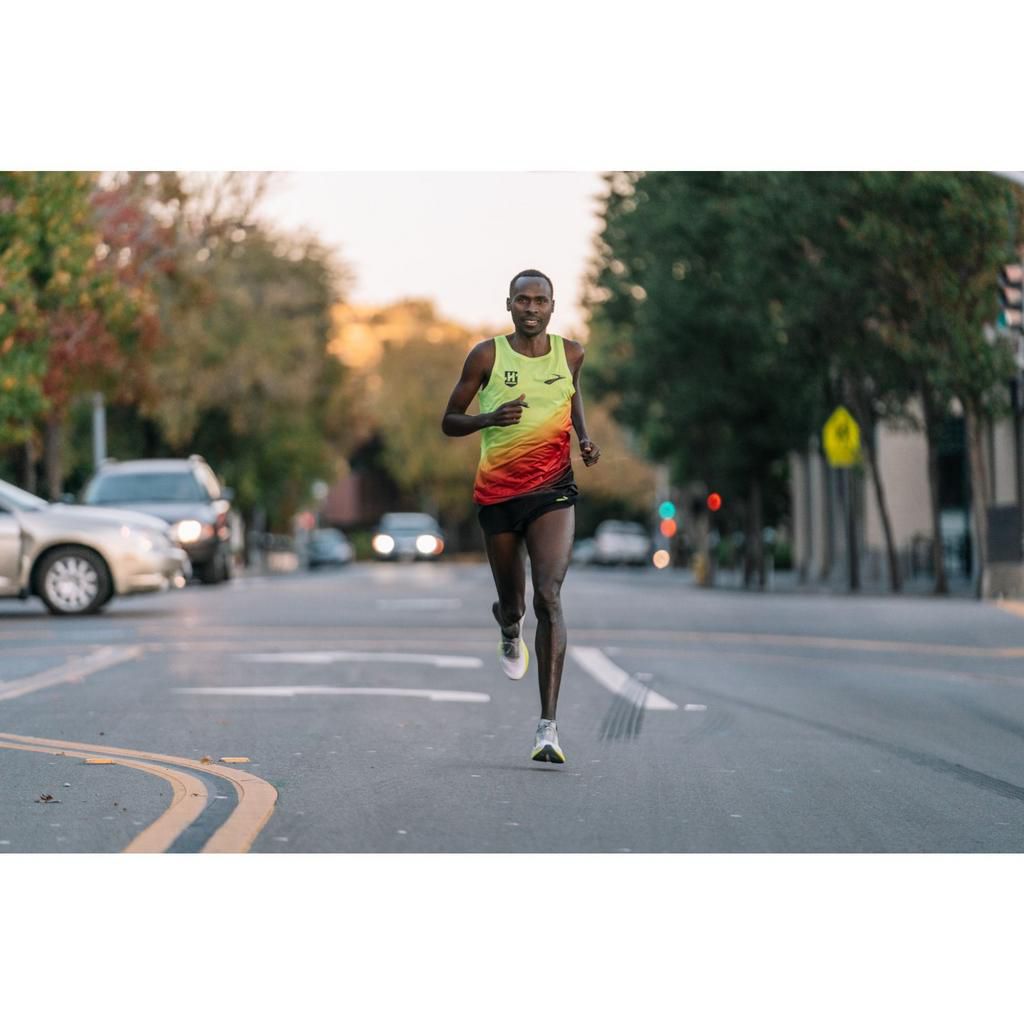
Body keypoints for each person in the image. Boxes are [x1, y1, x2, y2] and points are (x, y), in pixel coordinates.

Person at [441, 269, 600, 764]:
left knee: (548, 595)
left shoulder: (570, 353)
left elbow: (570, 399)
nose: (532, 308)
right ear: (509, 305)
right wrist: (489, 417)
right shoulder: (486, 355)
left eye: (541, 301)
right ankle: (509, 627)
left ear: (553, 306)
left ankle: (547, 729)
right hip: (498, 494)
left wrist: (584, 439)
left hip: (554, 490)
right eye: (523, 300)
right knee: (515, 604)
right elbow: (449, 420)